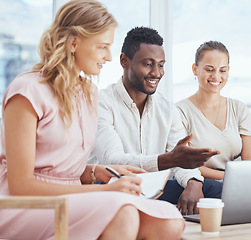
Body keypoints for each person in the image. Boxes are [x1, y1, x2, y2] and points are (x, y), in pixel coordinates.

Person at [0, 1, 184, 239]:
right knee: (124, 212)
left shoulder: (87, 92)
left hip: (72, 196)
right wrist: (107, 193)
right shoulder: (26, 91)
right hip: (25, 204)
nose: (108, 57)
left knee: (168, 221)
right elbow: (22, 186)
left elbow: (62, 169)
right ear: (74, 42)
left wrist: (98, 172)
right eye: (102, 47)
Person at [91, 27, 223, 215]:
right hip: (112, 188)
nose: (156, 72)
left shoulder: (166, 107)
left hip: (153, 190)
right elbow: (112, 160)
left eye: (161, 65)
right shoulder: (101, 102)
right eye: (148, 64)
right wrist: (168, 160)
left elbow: (180, 158)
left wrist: (194, 183)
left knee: (215, 190)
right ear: (124, 61)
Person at [176, 41, 251, 180]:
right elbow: (185, 163)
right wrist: (228, 177)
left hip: (238, 183)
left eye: (222, 70)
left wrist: (237, 179)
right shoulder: (180, 111)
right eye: (209, 69)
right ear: (195, 69)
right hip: (200, 183)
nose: (216, 76)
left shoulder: (239, 109)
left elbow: (250, 159)